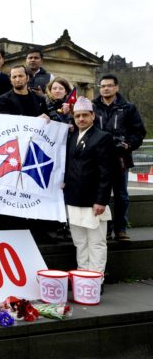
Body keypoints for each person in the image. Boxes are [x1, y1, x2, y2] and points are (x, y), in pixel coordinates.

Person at [92, 74, 146, 241]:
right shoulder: (92, 107)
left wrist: (129, 145)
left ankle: (121, 228)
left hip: (120, 158)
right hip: (98, 158)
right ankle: (105, 228)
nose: (105, 88)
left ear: (116, 87)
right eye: (102, 86)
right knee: (102, 195)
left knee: (121, 195)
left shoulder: (128, 107)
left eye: (109, 85)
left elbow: (138, 131)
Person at [64, 97, 114, 274]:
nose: (81, 119)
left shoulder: (103, 138)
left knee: (96, 243)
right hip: (73, 199)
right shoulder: (72, 137)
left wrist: (101, 200)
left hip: (93, 201)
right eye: (77, 116)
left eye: (85, 115)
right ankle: (82, 275)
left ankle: (95, 279)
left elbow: (106, 173)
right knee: (80, 243)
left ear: (93, 115)